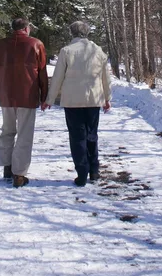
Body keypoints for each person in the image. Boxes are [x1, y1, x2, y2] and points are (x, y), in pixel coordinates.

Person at [42, 21, 112, 187]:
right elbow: (106, 78)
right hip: (94, 99)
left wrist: (49, 99)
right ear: (87, 33)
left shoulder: (66, 51)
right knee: (91, 134)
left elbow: (57, 78)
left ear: (71, 33)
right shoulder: (98, 51)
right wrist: (107, 98)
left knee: (77, 137)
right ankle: (94, 170)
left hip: (72, 101)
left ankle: (82, 172)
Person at [0, 18, 48, 188]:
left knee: (7, 131)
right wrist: (45, 96)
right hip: (28, 95)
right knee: (24, 134)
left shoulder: (1, 44)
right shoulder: (36, 44)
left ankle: (7, 167)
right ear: (26, 28)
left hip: (6, 95)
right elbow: (42, 72)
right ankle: (19, 174)